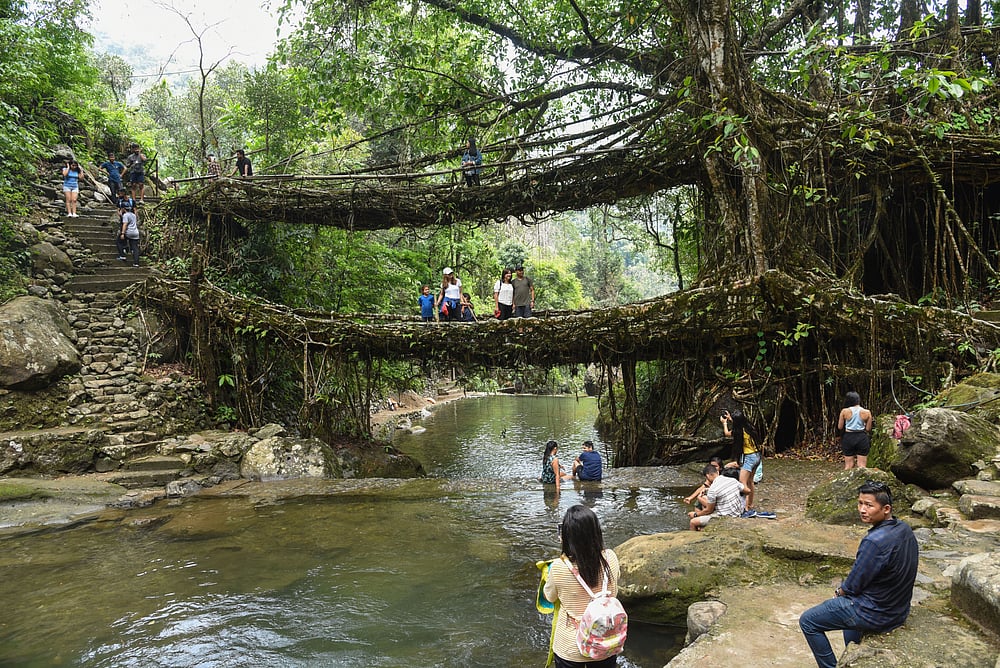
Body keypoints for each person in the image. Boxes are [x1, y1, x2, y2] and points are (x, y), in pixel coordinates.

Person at [798, 480, 918, 668]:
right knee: (846, 615)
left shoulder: (874, 541)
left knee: (808, 621)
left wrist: (839, 592)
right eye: (860, 503)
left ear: (886, 508)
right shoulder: (903, 529)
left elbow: (852, 585)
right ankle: (853, 658)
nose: (862, 509)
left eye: (869, 505)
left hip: (877, 613)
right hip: (897, 609)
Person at [543, 504, 623, 667]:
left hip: (570, 648)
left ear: (566, 536)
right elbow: (613, 590)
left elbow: (549, 597)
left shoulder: (559, 567)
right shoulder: (611, 558)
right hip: (606, 641)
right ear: (596, 532)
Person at [720, 408, 762, 516]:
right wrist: (730, 418)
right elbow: (738, 423)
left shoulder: (738, 432)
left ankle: (745, 508)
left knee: (742, 483)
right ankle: (750, 504)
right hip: (757, 456)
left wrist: (724, 423)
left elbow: (727, 433)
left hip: (749, 458)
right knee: (750, 482)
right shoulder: (748, 427)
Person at [687, 464, 747, 530]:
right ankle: (701, 526)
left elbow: (709, 511)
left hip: (724, 517)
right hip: (737, 512)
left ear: (707, 476)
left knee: (692, 522)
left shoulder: (713, 489)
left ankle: (694, 537)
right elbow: (747, 491)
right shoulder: (732, 480)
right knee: (704, 500)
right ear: (718, 472)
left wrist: (695, 514)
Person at [838, 391, 873, 469]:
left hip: (848, 437)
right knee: (862, 466)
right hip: (861, 437)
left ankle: (846, 481)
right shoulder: (867, 412)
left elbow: (840, 427)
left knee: (848, 466)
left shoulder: (844, 411)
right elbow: (868, 429)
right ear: (858, 400)